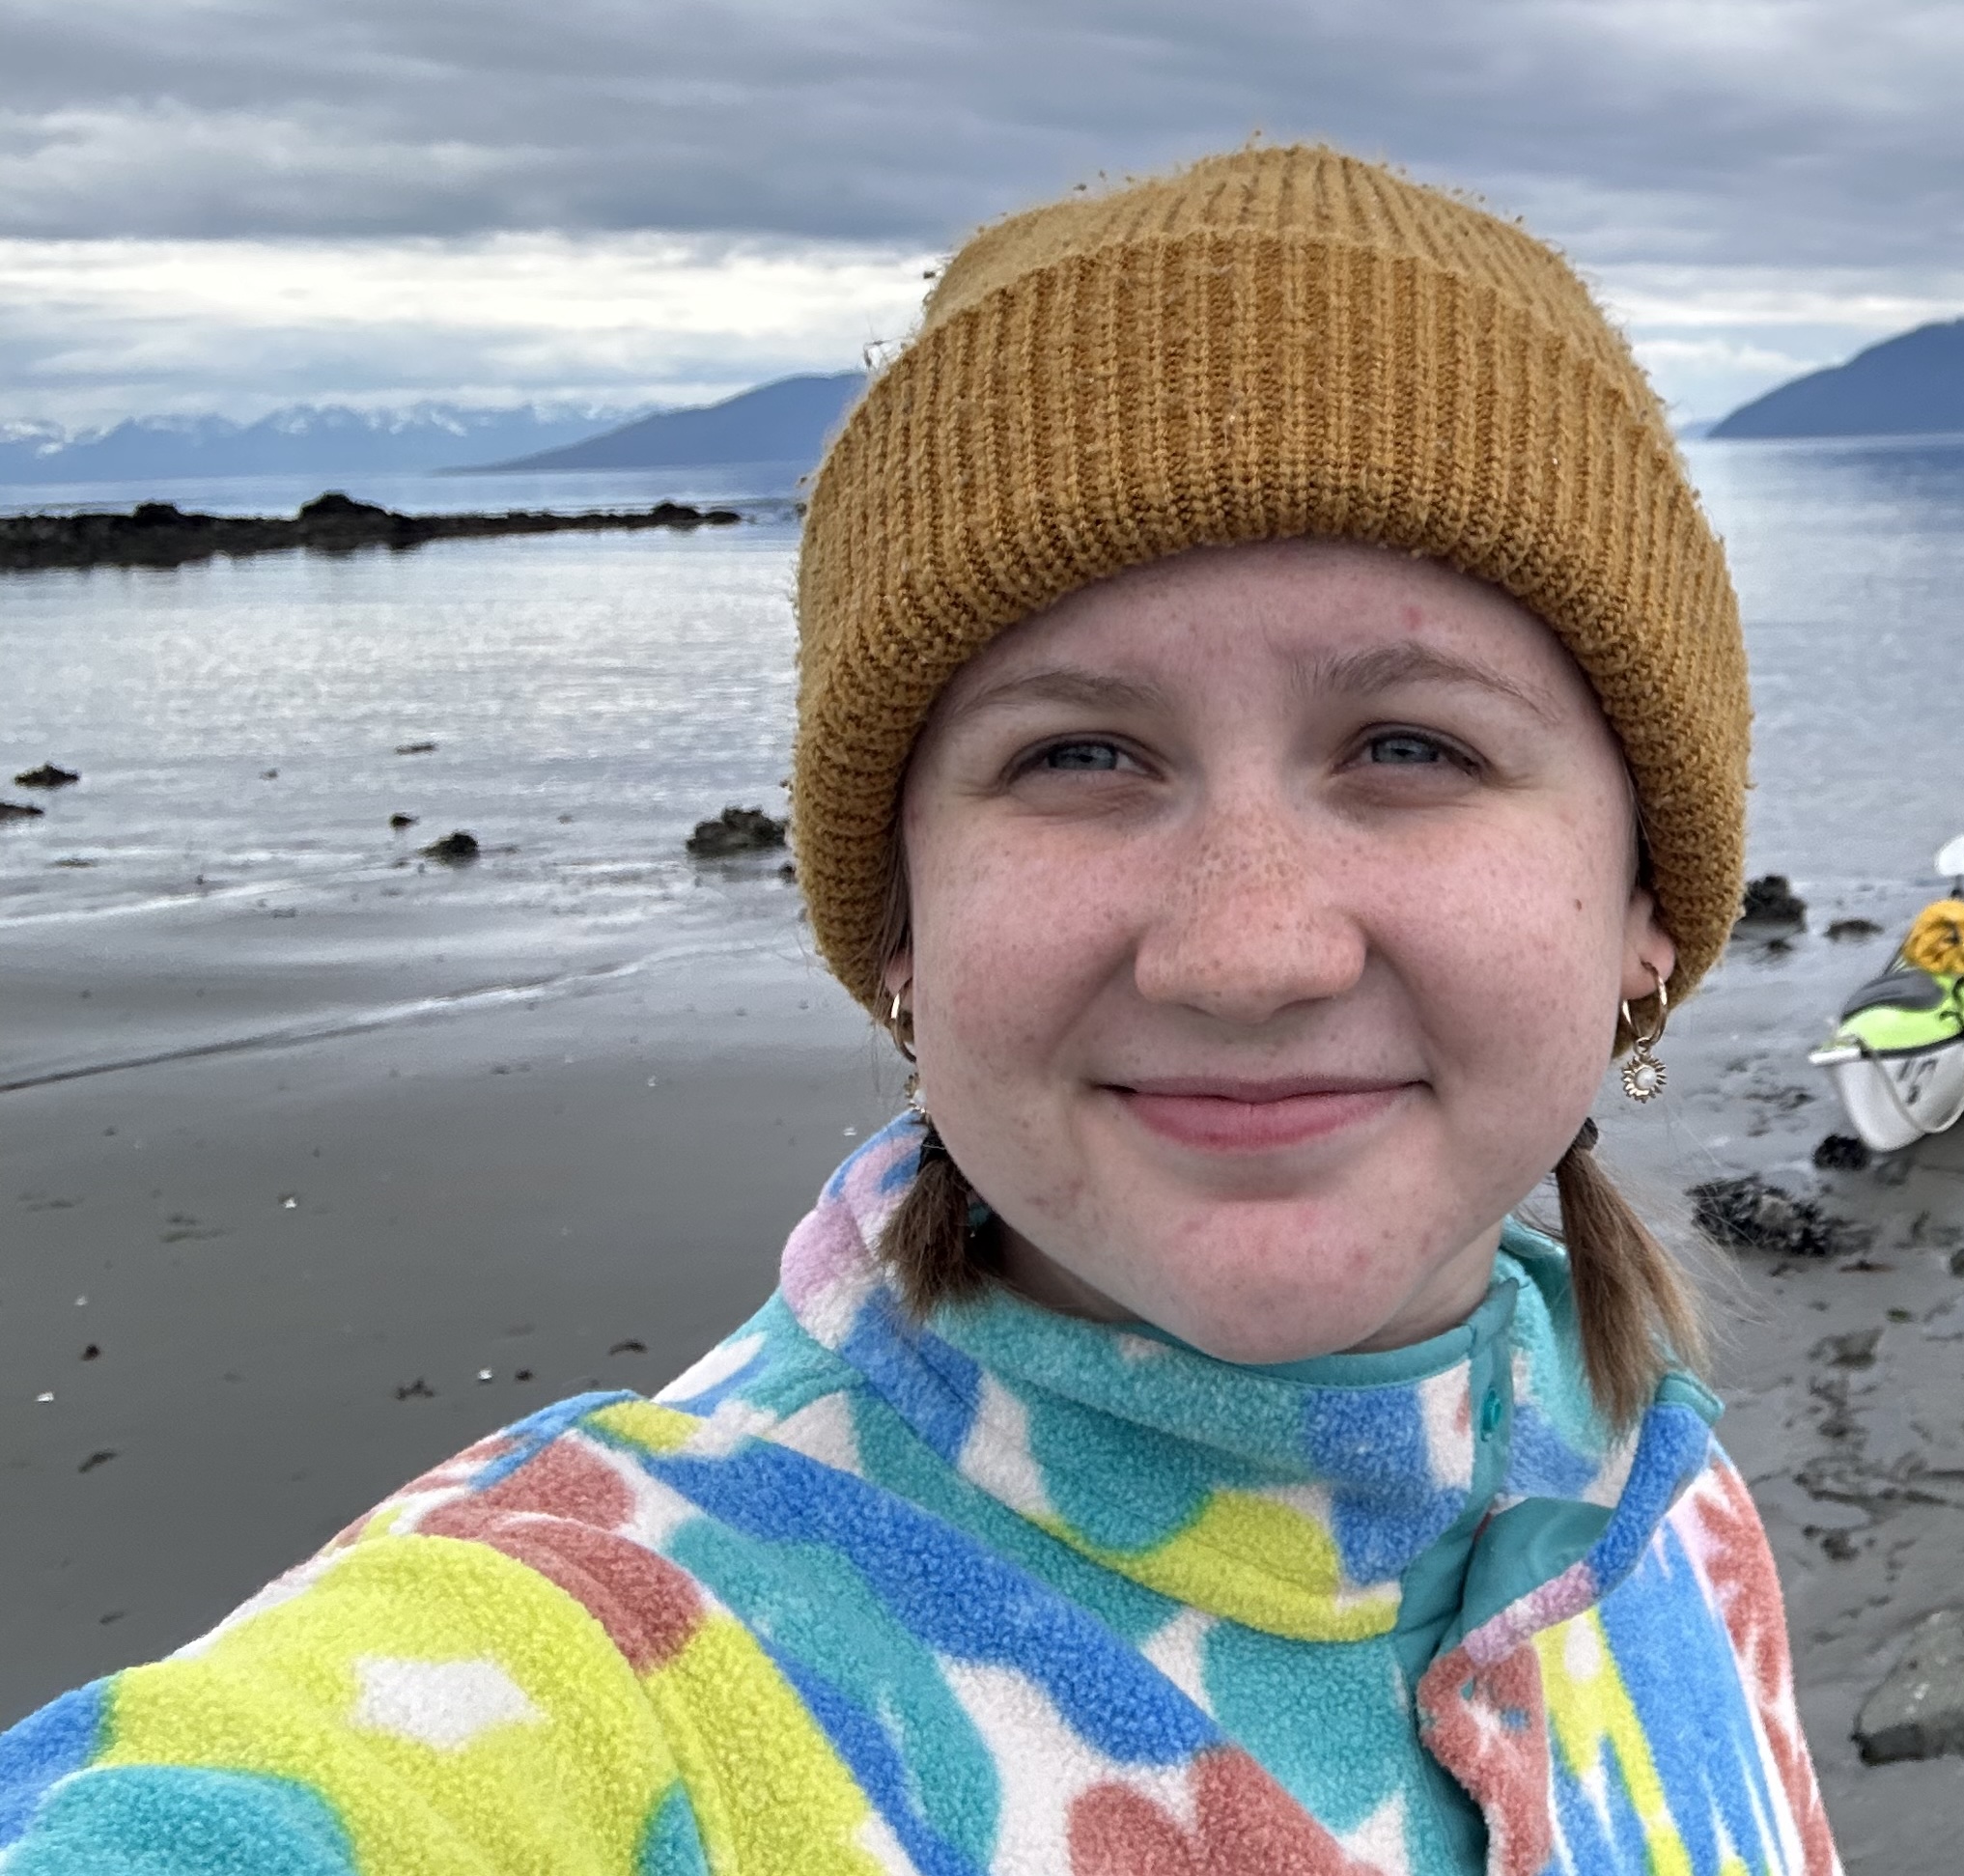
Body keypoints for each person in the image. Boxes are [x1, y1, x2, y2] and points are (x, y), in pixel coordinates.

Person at [0, 144, 1841, 1876]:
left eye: (1412, 745)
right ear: (897, 926)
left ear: (1646, 909)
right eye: (1079, 753)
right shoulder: (592, 1661)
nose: (1245, 951)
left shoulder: (1652, 1495)